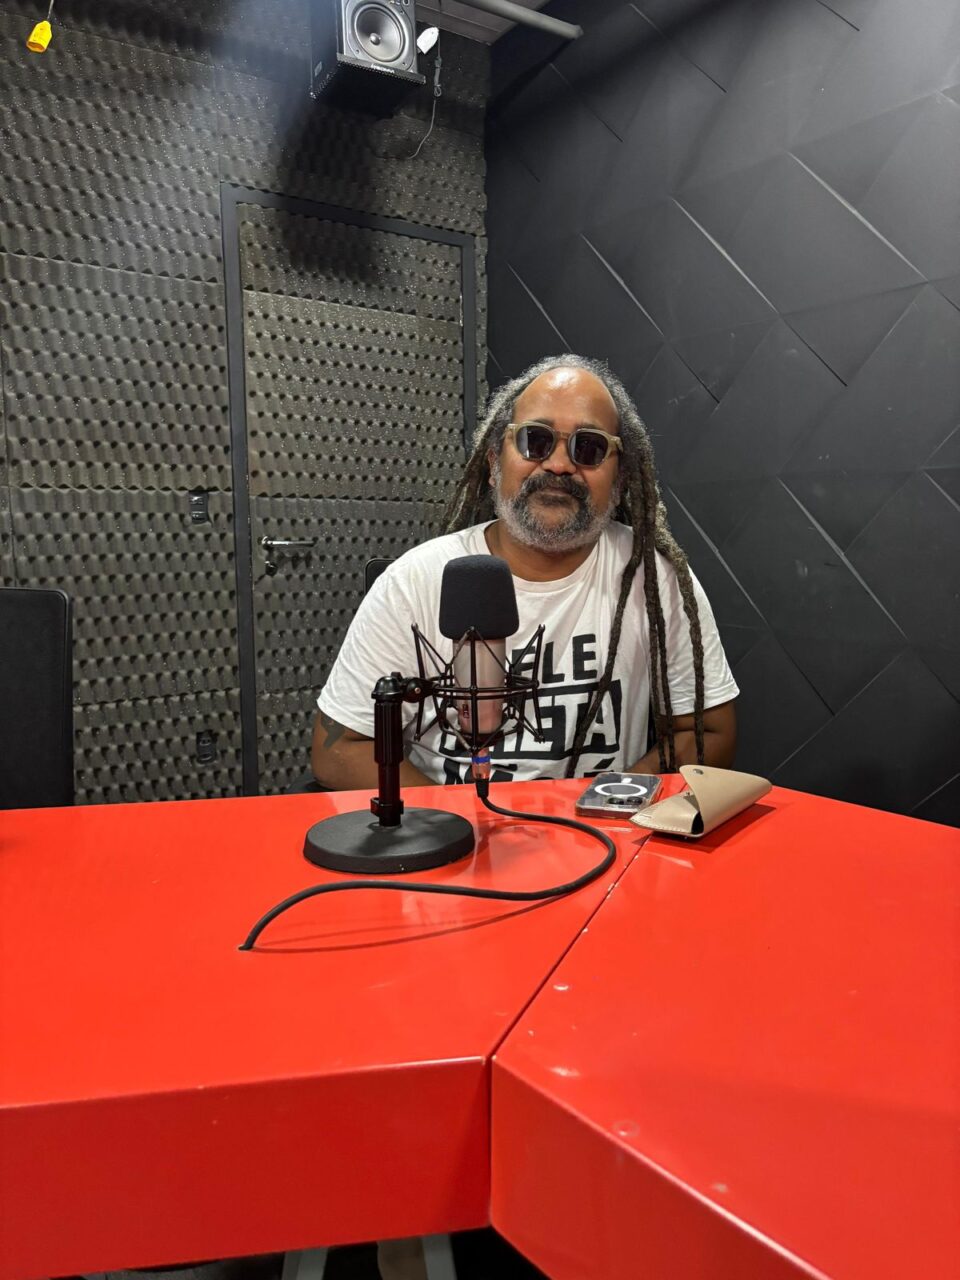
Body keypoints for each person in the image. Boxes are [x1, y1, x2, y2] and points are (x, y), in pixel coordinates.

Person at [313, 354, 738, 790]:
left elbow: (709, 733)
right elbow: (340, 749)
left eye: (589, 447)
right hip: (452, 825)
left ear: (620, 477)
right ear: (494, 462)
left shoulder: (654, 576)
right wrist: (453, 821)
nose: (559, 465)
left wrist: (612, 799)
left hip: (600, 827)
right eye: (535, 440)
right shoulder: (414, 581)